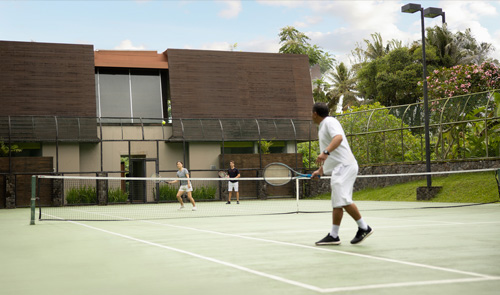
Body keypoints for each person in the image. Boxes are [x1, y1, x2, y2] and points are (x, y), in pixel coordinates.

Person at [311, 102, 373, 245]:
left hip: (345, 166)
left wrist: (325, 153)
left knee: (342, 199)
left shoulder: (329, 121)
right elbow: (334, 155)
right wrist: (321, 170)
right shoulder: (322, 127)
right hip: (339, 167)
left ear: (315, 113)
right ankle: (334, 235)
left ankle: (364, 227)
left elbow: (338, 138)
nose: (311, 116)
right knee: (337, 202)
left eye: (311, 113)